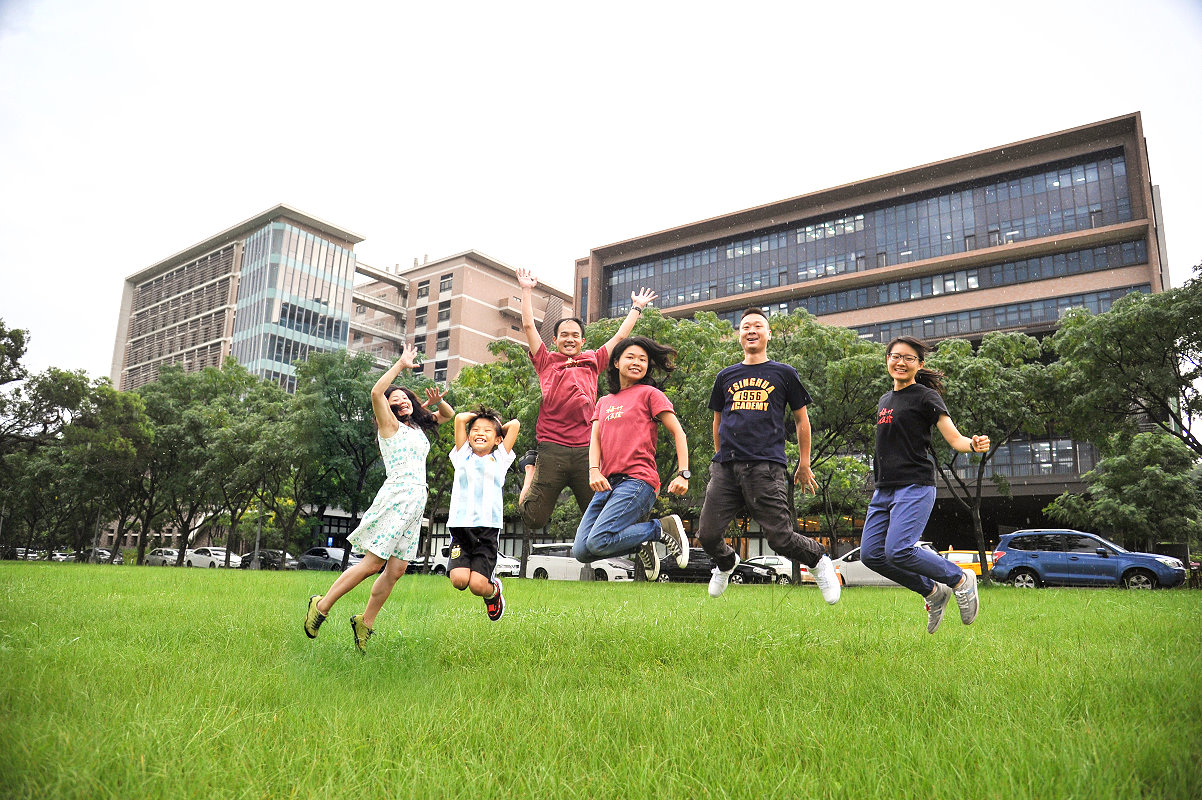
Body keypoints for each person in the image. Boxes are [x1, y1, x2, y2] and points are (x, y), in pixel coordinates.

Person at [303, 343, 453, 652]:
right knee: (373, 563)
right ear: (389, 408)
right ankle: (322, 605)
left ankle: (365, 622)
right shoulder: (390, 426)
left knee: (396, 570)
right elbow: (375, 393)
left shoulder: (417, 428)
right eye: (395, 399)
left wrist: (437, 402)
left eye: (406, 397)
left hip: (416, 502)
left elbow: (447, 416)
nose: (402, 400)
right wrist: (400, 364)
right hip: (397, 497)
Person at [697, 308, 841, 603]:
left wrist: (805, 462)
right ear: (739, 335)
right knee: (708, 534)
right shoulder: (725, 376)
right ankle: (726, 562)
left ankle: (818, 560)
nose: (751, 330)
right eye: (746, 326)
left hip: (765, 466)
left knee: (780, 538)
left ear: (768, 334)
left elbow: (802, 420)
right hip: (726, 466)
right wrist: (719, 458)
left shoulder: (784, 373)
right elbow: (718, 421)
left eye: (758, 326)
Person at [861, 335, 988, 633]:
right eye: (895, 356)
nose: (900, 362)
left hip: (915, 484)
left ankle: (959, 579)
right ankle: (933, 591)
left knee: (898, 550)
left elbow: (954, 438)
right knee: (871, 555)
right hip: (884, 488)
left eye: (908, 358)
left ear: (919, 364)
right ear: (887, 360)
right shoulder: (884, 400)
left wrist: (974, 443)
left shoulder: (925, 397)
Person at [514, 266, 657, 530]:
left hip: (586, 451)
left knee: (600, 516)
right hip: (551, 447)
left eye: (575, 336)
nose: (570, 339)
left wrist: (636, 307)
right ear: (555, 339)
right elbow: (527, 325)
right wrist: (526, 289)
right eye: (564, 335)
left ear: (582, 340)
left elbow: (620, 337)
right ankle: (529, 469)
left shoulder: (594, 360)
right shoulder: (546, 361)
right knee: (534, 520)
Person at [572, 336, 690, 581]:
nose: (637, 363)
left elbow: (678, 431)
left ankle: (661, 528)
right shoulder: (604, 402)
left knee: (598, 540)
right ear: (616, 362)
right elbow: (595, 439)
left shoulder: (650, 394)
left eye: (643, 359)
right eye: (630, 357)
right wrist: (593, 470)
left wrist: (683, 473)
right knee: (582, 551)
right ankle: (643, 540)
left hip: (638, 481)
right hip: (607, 483)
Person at [446, 406, 520, 621]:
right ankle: (482, 584)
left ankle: (494, 592)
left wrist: (496, 425)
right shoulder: (461, 457)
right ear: (468, 437)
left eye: (487, 431)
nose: (480, 433)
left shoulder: (500, 459)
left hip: (487, 529)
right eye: (476, 430)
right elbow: (460, 419)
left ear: (498, 439)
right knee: (459, 581)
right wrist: (476, 421)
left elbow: (514, 425)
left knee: (478, 586)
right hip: (460, 528)